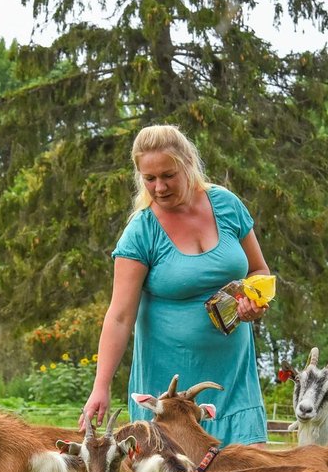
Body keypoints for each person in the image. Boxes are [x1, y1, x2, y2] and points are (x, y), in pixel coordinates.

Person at [81, 124, 271, 447]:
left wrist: (254, 302)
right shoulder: (141, 232)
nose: (159, 187)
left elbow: (258, 270)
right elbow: (119, 316)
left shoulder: (227, 205)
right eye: (149, 178)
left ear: (188, 162)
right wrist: (101, 385)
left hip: (233, 383)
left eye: (168, 175)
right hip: (167, 400)